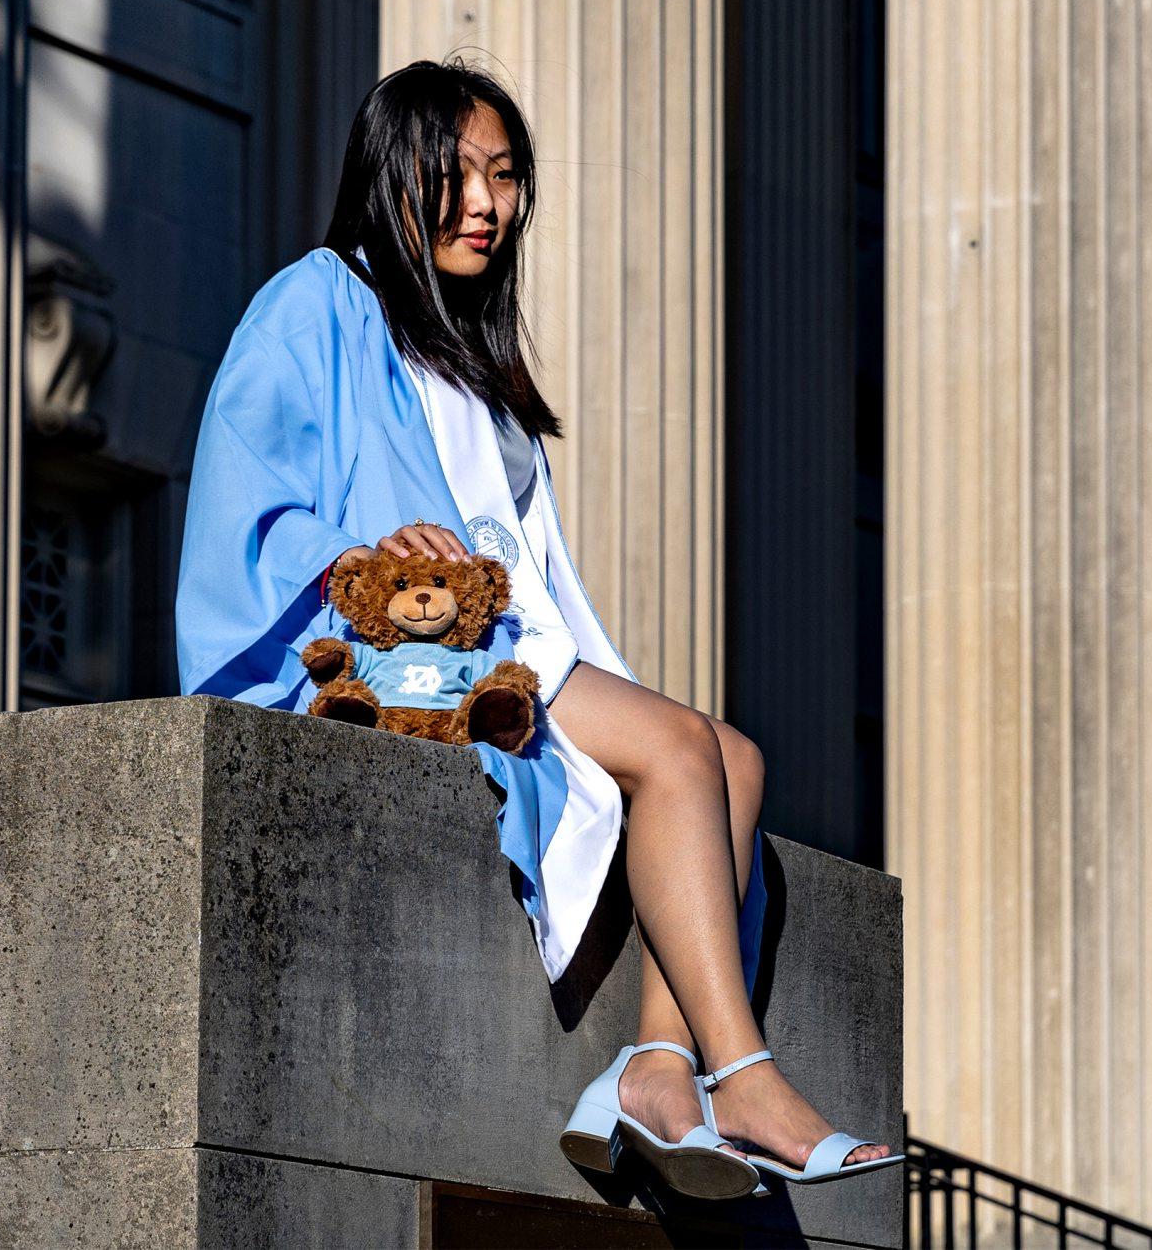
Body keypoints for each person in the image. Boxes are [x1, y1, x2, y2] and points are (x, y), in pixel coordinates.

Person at [174, 60, 897, 1196]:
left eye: (504, 176)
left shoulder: (476, 358)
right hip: (398, 652)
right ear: (390, 172)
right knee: (674, 748)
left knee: (736, 755)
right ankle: (741, 1070)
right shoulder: (317, 300)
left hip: (513, 643)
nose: (483, 201)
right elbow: (242, 496)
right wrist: (355, 554)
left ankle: (657, 1067)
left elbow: (534, 565)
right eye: (455, 172)